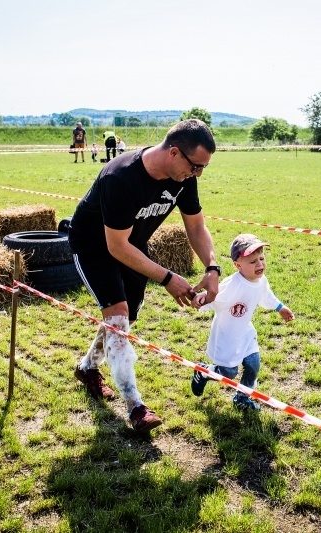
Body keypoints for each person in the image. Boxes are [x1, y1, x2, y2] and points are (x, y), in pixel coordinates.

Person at [68, 119, 221, 432]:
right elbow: (115, 246)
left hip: (132, 245)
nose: (198, 174)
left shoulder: (183, 177)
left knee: (123, 322)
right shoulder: (120, 177)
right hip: (95, 246)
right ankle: (135, 405)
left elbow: (195, 226)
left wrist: (212, 266)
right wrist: (167, 278)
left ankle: (87, 368)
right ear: (174, 153)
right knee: (118, 316)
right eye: (196, 166)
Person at [190, 234, 295, 411]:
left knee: (253, 364)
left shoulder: (261, 281)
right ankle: (203, 371)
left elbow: (266, 296)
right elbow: (215, 297)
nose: (260, 264)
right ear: (238, 265)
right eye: (253, 261)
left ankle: (242, 397)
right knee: (228, 373)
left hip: (245, 332)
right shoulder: (232, 285)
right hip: (227, 336)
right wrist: (202, 299)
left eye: (261, 258)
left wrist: (280, 307)